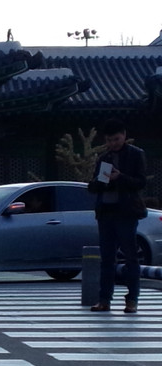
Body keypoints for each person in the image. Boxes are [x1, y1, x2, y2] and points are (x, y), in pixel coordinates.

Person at [87, 118, 147, 314]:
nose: (113, 143)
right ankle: (104, 299)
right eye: (109, 140)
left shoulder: (135, 154)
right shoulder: (103, 158)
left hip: (126, 212)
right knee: (106, 258)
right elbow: (93, 186)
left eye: (116, 139)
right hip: (106, 212)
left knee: (131, 257)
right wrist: (101, 181)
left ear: (124, 136)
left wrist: (120, 177)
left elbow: (141, 182)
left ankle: (132, 299)